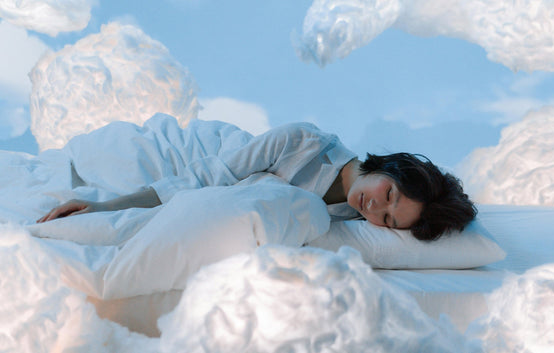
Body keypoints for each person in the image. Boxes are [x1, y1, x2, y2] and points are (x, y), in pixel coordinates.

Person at [37, 116, 476, 241]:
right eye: (390, 194)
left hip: (226, 190)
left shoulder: (351, 222)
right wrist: (106, 208)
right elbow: (209, 175)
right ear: (389, 168)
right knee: (115, 159)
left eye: (392, 220)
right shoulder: (303, 140)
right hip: (207, 158)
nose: (376, 209)